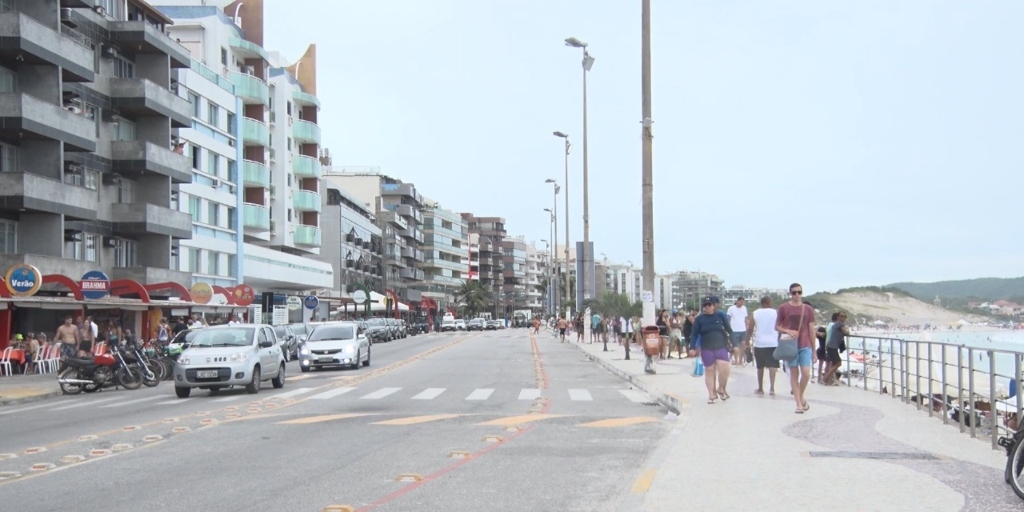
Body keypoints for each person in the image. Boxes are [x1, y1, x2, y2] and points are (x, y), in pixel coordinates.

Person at [776, 283, 817, 414]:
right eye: (794, 293)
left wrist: (814, 351)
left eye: (799, 292)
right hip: (790, 345)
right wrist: (788, 331)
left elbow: (811, 329)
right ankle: (799, 404)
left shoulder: (808, 309)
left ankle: (800, 396)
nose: (797, 295)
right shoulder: (784, 308)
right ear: (790, 293)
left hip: (805, 344)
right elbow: (777, 326)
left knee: (806, 373)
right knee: (794, 374)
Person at [687, 296, 734, 404]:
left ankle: (721, 388)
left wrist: (735, 344)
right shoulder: (699, 319)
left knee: (724, 371)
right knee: (710, 371)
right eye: (705, 305)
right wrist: (692, 348)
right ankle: (711, 394)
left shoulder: (720, 317)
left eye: (709, 305)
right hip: (707, 348)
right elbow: (694, 334)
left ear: (713, 306)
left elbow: (729, 330)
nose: (707, 307)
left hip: (721, 346)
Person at [749, 296, 780, 395]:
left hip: (760, 343)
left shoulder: (755, 313)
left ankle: (760, 388)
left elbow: (750, 329)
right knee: (772, 366)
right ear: (768, 302)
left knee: (760, 366)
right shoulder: (776, 313)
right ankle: (772, 388)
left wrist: (746, 341)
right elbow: (780, 326)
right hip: (773, 342)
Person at [824, 312, 849, 385]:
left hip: (830, 346)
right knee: (838, 363)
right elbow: (845, 332)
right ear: (838, 317)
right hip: (832, 347)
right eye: (841, 316)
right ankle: (826, 378)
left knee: (832, 363)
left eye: (844, 316)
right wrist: (848, 332)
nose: (843, 318)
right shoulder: (840, 324)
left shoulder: (835, 324)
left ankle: (828, 381)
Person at [727, 297, 750, 367]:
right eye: (740, 302)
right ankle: (736, 360)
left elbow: (746, 318)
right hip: (734, 330)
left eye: (743, 302)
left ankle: (741, 361)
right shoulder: (731, 309)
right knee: (735, 346)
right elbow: (728, 319)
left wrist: (747, 327)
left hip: (743, 329)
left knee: (743, 345)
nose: (741, 303)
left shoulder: (744, 308)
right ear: (737, 301)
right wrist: (728, 328)